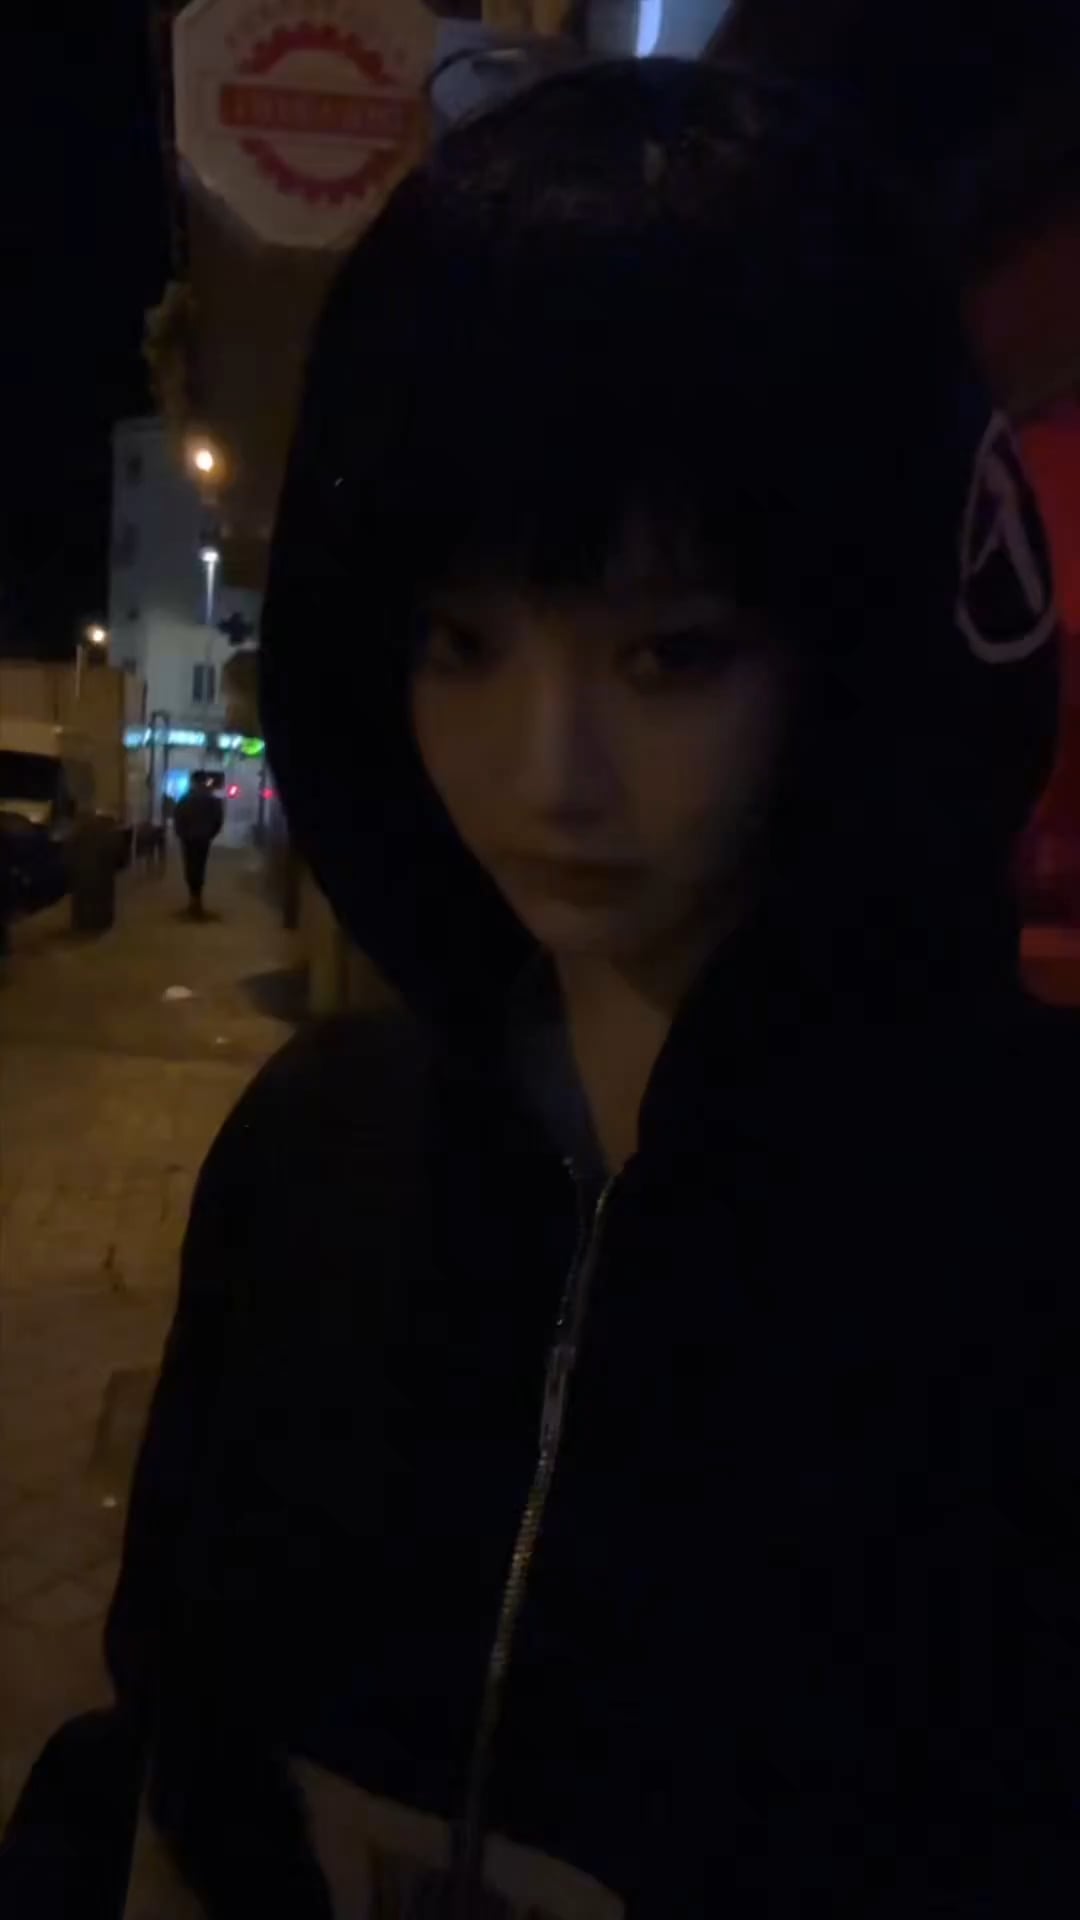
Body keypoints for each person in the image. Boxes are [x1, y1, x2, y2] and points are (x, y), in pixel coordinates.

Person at [98, 58, 1080, 1919]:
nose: (548, 774)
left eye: (670, 654)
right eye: (460, 641)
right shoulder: (314, 1151)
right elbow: (183, 1737)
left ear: (850, 643)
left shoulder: (1028, 1220)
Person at [172, 773, 223, 918]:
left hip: (188, 839)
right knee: (200, 866)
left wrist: (182, 834)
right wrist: (210, 834)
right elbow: (218, 821)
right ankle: (197, 899)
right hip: (203, 839)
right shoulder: (212, 800)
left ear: (192, 782)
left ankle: (193, 898)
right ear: (204, 782)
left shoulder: (184, 799)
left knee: (190, 866)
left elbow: (178, 818)